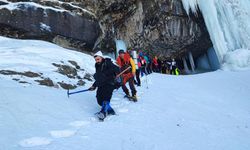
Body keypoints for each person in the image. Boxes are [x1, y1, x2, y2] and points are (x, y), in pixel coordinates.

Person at [88, 51, 120, 120]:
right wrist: (94, 86)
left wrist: (106, 73)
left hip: (110, 83)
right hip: (101, 84)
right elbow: (99, 77)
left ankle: (103, 112)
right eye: (96, 60)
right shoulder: (97, 65)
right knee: (99, 100)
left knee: (106, 98)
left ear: (102, 58)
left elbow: (117, 69)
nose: (97, 61)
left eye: (98, 59)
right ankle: (110, 110)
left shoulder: (108, 62)